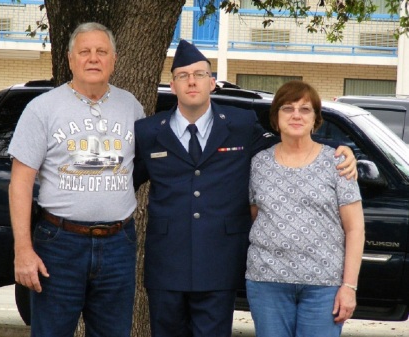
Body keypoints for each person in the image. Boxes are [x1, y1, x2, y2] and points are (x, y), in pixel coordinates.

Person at [133, 40, 357, 337]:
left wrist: (337, 149)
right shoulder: (149, 131)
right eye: (183, 75)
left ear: (212, 83)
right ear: (172, 85)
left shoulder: (239, 123)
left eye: (199, 74)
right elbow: (126, 181)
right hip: (166, 262)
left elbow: (284, 142)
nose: (191, 81)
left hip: (219, 261)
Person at [8, 22, 144, 337]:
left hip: (118, 244)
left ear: (113, 59)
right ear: (71, 60)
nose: (93, 58)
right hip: (58, 245)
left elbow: (140, 168)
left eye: (101, 52)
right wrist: (23, 250)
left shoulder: (132, 107)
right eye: (84, 52)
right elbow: (20, 183)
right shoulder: (42, 109)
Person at [246, 80, 365, 337]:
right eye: (287, 108)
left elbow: (355, 229)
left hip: (324, 286)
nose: (296, 115)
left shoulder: (338, 162)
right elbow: (256, 216)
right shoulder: (258, 163)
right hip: (267, 282)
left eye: (305, 109)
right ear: (276, 118)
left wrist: (349, 286)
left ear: (316, 119)